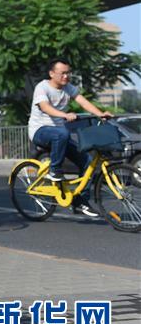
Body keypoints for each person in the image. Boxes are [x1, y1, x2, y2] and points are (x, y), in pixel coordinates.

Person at [28, 57, 112, 217]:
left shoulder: (69, 88)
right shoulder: (42, 87)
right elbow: (45, 107)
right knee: (62, 133)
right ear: (52, 73)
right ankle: (55, 171)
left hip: (60, 135)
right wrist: (64, 115)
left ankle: (80, 201)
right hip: (40, 131)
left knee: (87, 161)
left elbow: (83, 101)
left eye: (68, 73)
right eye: (62, 73)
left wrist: (101, 114)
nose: (66, 76)